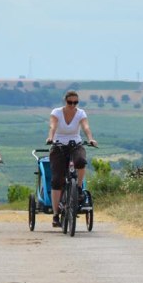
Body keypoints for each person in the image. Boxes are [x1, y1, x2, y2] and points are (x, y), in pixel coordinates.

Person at [45, 90, 97, 227]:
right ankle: (56, 214)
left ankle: (78, 187)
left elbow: (86, 126)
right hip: (58, 145)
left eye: (75, 102)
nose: (73, 105)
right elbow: (53, 126)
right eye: (70, 102)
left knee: (80, 160)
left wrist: (90, 139)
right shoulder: (56, 112)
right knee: (57, 180)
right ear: (65, 101)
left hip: (75, 144)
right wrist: (50, 137)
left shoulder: (80, 113)